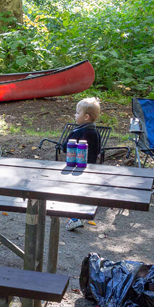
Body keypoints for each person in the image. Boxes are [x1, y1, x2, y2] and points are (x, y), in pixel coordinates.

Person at [66, 97, 102, 231]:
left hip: (76, 167)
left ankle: (74, 218)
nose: (75, 115)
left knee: (73, 193)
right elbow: (98, 150)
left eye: (77, 112)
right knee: (82, 192)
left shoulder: (78, 132)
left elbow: (65, 147)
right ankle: (77, 216)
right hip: (91, 167)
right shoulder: (96, 132)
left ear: (86, 117)